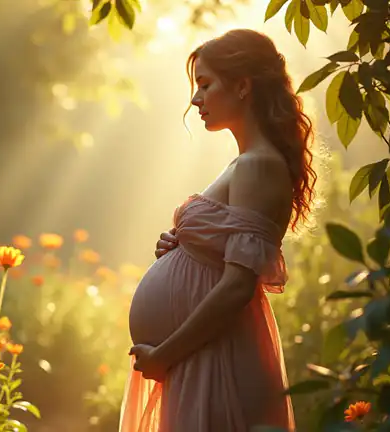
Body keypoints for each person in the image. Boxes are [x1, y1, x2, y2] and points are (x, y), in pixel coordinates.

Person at [120, 29, 317, 431]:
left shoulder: (258, 165)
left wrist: (165, 356)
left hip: (215, 359)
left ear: (242, 86)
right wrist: (184, 247)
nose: (196, 100)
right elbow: (225, 253)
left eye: (205, 85)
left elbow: (237, 287)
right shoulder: (244, 163)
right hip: (203, 354)